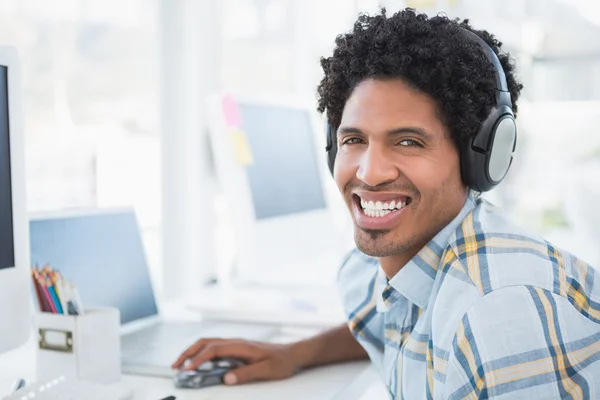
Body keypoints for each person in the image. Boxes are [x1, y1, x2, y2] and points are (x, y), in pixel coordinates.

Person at [173, 8, 600, 399]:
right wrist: (295, 354)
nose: (370, 172)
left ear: (480, 158)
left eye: (409, 142)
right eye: (353, 139)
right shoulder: (376, 269)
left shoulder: (500, 315)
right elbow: (399, 324)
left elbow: (466, 332)